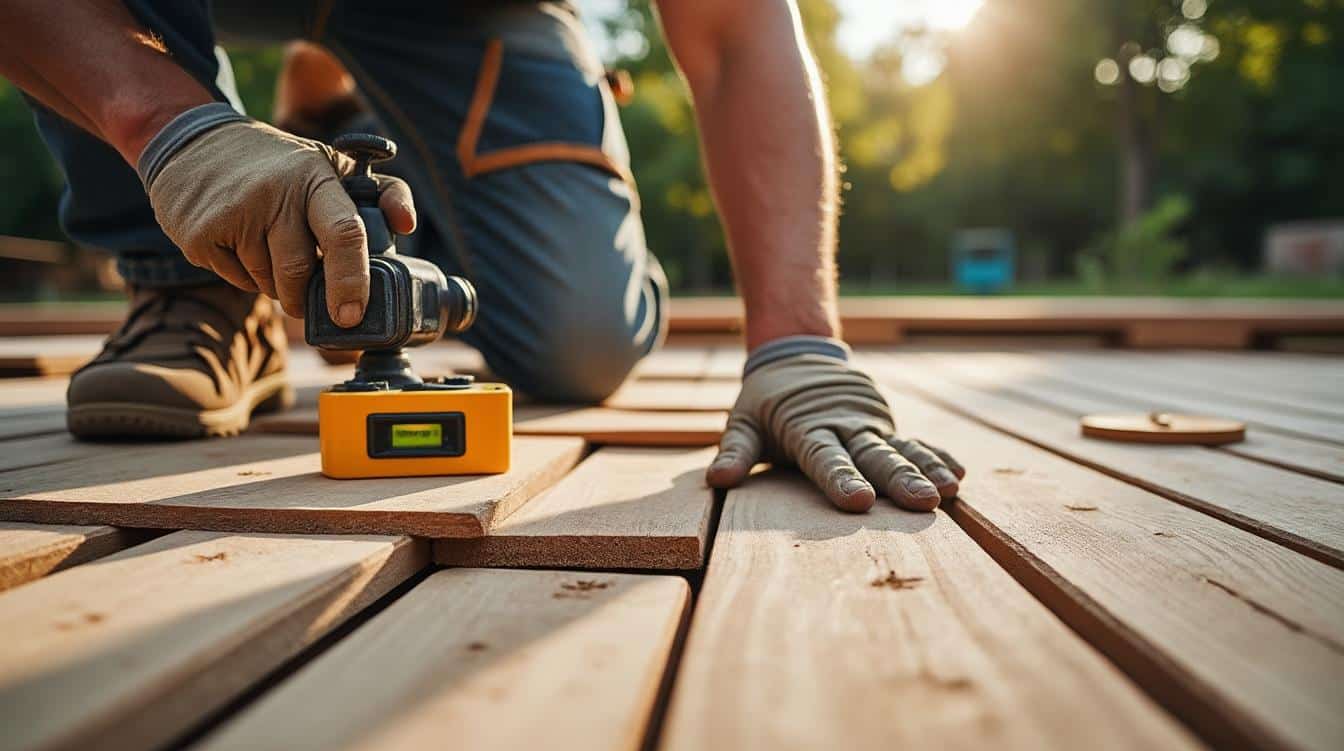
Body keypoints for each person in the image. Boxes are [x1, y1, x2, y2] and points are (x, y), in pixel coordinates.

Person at [0, 0, 964, 513]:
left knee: (581, 343)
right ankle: (196, 284)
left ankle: (334, 116)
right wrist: (172, 131)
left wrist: (798, 344)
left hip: (457, 11)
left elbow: (737, 29)